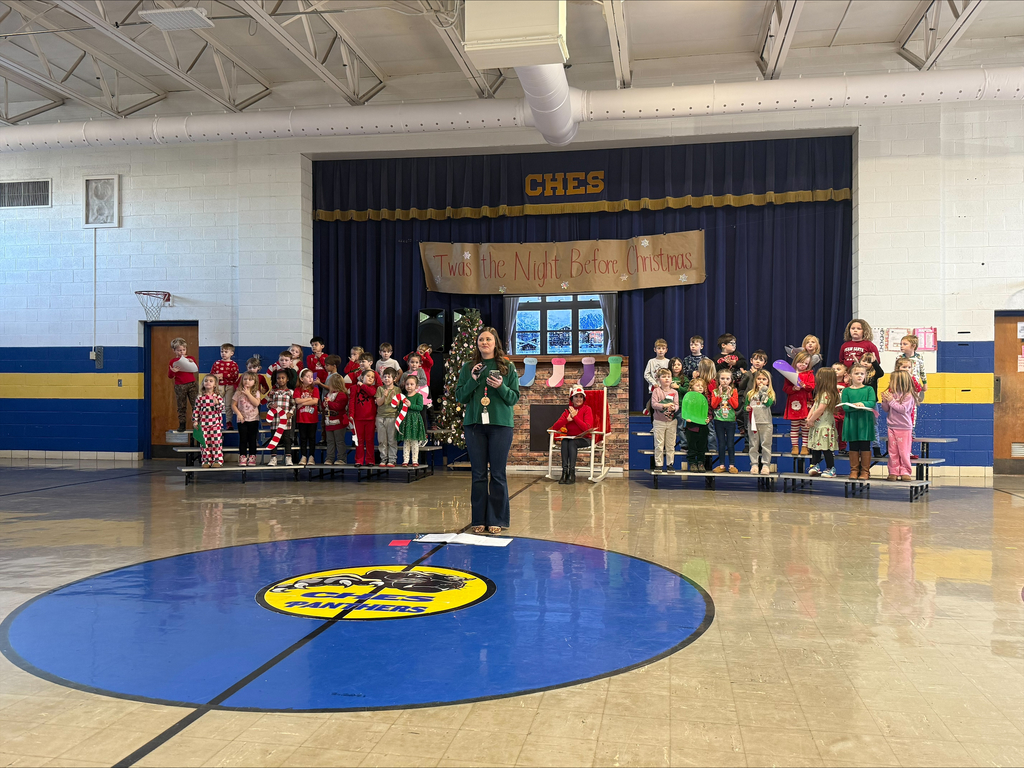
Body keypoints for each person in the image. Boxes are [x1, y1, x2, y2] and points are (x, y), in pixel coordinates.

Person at [456, 327, 520, 535]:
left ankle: (497, 519)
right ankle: (479, 519)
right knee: (479, 474)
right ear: (477, 343)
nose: (484, 342)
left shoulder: (507, 367)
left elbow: (513, 398)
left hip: (501, 426)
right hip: (474, 426)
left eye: (488, 339)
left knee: (498, 474)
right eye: (481, 339)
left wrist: (501, 386)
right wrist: (473, 380)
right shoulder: (469, 367)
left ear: (495, 343)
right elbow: (460, 397)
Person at [840, 362, 877, 480]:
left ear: (865, 375)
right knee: (853, 446)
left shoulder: (869, 389)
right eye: (856, 373)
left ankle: (865, 471)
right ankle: (854, 470)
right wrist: (854, 406)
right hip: (851, 422)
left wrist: (862, 404)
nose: (859, 376)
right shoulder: (846, 391)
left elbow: (872, 402)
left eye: (862, 373)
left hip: (865, 422)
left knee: (865, 446)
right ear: (850, 375)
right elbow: (845, 407)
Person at [550, 384, 594, 484]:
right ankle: (564, 472)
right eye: (576, 396)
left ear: (583, 398)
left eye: (581, 396)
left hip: (585, 439)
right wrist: (567, 420)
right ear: (572, 398)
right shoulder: (568, 411)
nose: (578, 399)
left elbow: (587, 428)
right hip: (571, 439)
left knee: (572, 443)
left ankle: (572, 472)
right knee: (565, 441)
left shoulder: (587, 409)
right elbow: (555, 427)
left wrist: (575, 417)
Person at [881, 371, 916, 481]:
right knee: (893, 450)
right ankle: (893, 471)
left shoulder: (909, 395)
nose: (890, 382)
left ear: (900, 382)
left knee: (903, 451)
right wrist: (885, 401)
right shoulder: (892, 394)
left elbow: (903, 410)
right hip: (892, 426)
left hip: (904, 427)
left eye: (892, 380)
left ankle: (905, 471)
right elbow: (886, 409)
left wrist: (891, 401)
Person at [806, 367, 840, 478]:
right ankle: (814, 465)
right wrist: (809, 418)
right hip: (817, 425)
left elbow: (820, 409)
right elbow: (814, 406)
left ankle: (831, 468)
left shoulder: (827, 394)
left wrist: (811, 419)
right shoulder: (820, 393)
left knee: (826, 449)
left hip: (824, 425)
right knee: (815, 446)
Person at [783, 351, 816, 455]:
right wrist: (793, 388)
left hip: (806, 402)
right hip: (794, 402)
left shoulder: (809, 374)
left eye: (806, 363)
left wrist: (805, 386)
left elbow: (812, 386)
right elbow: (785, 388)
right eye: (801, 362)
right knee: (795, 426)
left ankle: (805, 447)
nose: (803, 365)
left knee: (805, 426)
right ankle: (795, 446)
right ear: (796, 361)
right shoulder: (790, 374)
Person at [745, 369, 775, 475]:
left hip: (765, 423)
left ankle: (766, 464)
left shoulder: (770, 393)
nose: (761, 381)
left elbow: (767, 403)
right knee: (753, 444)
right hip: (753, 423)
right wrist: (747, 408)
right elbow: (746, 406)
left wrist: (763, 392)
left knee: (766, 444)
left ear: (768, 381)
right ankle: (754, 464)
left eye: (764, 379)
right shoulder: (750, 393)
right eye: (759, 379)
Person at [710, 368, 739, 474]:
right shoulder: (715, 391)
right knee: (721, 443)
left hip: (730, 421)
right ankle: (721, 465)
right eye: (722, 378)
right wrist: (719, 395)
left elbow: (735, 405)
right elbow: (713, 405)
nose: (725, 381)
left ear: (731, 380)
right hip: (719, 420)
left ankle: (732, 465)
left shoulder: (734, 391)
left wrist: (729, 396)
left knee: (730, 443)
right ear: (718, 379)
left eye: (727, 378)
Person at [265, 370, 295, 466]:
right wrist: (270, 405)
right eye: (278, 378)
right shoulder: (273, 392)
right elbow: (268, 403)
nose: (281, 380)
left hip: (285, 421)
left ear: (287, 379)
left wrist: (290, 413)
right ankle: (273, 458)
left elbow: (293, 405)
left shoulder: (290, 392)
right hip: (275, 420)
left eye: (283, 378)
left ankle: (288, 458)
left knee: (287, 439)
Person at [168, 337, 198, 432]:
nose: (182, 352)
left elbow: (195, 369)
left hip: (192, 384)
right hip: (180, 385)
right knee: (181, 405)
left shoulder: (190, 358)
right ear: (174, 351)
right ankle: (182, 424)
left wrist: (192, 363)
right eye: (179, 350)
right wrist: (173, 371)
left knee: (195, 404)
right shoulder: (173, 362)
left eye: (183, 350)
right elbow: (170, 376)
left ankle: (197, 423)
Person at [651, 368, 679, 472]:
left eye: (668, 377)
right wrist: (665, 405)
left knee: (671, 444)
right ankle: (658, 464)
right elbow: (654, 404)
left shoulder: (674, 392)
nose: (666, 379)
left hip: (671, 421)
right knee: (659, 443)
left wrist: (673, 408)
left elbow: (677, 405)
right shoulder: (656, 391)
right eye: (664, 377)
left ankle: (670, 464)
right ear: (658, 379)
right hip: (659, 421)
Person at [232, 372, 261, 466]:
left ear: (255, 382)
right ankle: (243, 457)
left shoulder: (256, 392)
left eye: (250, 379)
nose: (247, 381)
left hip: (253, 419)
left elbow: (256, 403)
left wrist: (248, 393)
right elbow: (233, 405)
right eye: (245, 379)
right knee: (243, 439)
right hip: (242, 420)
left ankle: (252, 457)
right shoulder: (238, 392)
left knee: (252, 439)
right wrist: (239, 414)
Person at [195, 374, 224, 469]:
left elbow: (220, 410)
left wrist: (217, 404)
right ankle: (206, 460)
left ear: (215, 385)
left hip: (215, 424)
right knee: (204, 443)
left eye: (211, 381)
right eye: (206, 380)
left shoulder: (218, 397)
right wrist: (195, 421)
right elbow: (196, 410)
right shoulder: (200, 397)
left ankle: (217, 460)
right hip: (203, 424)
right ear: (203, 384)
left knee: (216, 442)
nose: (208, 382)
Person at [349, 369, 378, 466]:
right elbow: (352, 402)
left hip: (370, 418)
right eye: (368, 376)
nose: (371, 378)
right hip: (358, 418)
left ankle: (370, 460)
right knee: (359, 441)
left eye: (372, 377)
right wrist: (351, 415)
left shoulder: (373, 388)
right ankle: (359, 460)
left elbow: (372, 394)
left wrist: (363, 385)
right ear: (362, 377)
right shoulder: (354, 388)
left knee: (370, 440)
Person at [398, 373, 427, 467]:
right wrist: (399, 405)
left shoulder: (419, 396)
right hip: (406, 420)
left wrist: (411, 405)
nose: (409, 386)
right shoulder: (403, 396)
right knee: (406, 441)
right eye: (407, 384)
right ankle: (405, 460)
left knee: (414, 441)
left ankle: (415, 460)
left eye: (411, 384)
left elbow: (420, 407)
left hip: (414, 419)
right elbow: (400, 409)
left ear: (416, 386)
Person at [682, 379, 711, 472]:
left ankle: (701, 463)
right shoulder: (688, 397)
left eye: (702, 386)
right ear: (691, 387)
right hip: (691, 427)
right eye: (697, 385)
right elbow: (685, 409)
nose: (700, 387)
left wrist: (708, 418)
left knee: (702, 446)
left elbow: (708, 411)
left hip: (703, 427)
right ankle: (692, 463)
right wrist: (686, 417)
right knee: (692, 446)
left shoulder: (705, 399)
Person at [293, 368, 320, 466]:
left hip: (312, 419)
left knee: (312, 438)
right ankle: (303, 456)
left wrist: (303, 403)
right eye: (307, 376)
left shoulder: (315, 389)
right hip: (302, 419)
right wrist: (309, 399)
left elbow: (315, 401)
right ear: (301, 378)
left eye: (311, 377)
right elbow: (297, 401)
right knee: (303, 438)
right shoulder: (297, 389)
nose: (310, 379)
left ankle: (311, 456)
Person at [375, 368, 401, 467]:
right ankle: (383, 458)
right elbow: (379, 403)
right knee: (382, 440)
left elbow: (397, 405)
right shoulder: (380, 389)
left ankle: (392, 459)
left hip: (392, 417)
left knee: (392, 440)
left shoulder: (397, 389)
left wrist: (394, 398)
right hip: (381, 417)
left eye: (389, 377)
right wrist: (384, 396)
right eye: (385, 377)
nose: (386, 379)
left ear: (394, 379)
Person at [322, 373, 349, 466]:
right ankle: (329, 458)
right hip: (329, 421)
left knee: (339, 441)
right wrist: (324, 404)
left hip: (339, 422)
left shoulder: (342, 395)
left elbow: (338, 407)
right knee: (330, 441)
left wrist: (329, 403)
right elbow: (324, 406)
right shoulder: (328, 394)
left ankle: (341, 458)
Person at [211, 343, 239, 428]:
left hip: (229, 386)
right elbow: (211, 374)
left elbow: (235, 376)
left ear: (231, 353)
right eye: (222, 351)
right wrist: (215, 376)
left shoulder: (234, 364)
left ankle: (228, 422)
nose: (223, 353)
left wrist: (223, 375)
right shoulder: (217, 363)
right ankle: (215, 421)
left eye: (226, 352)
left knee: (228, 405)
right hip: (219, 385)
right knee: (216, 404)